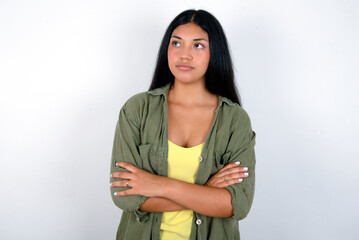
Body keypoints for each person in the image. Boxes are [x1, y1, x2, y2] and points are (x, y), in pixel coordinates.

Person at [110, 9, 256, 240]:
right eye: (176, 43)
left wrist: (161, 185)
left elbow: (237, 205)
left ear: (214, 52)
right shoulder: (137, 110)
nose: (184, 55)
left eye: (198, 45)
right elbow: (125, 196)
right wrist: (206, 193)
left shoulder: (235, 120)